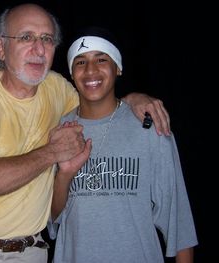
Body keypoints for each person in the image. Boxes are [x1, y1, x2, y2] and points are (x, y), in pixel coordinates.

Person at [0, 4, 171, 263]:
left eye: (47, 39)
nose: (39, 49)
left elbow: (99, 101)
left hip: (30, 252)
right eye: (26, 37)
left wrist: (132, 99)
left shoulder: (59, 90)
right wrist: (52, 152)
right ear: (0, 47)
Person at [48, 26, 198, 263]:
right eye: (80, 62)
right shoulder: (60, 130)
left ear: (117, 67)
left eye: (101, 59)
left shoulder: (150, 127)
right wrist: (64, 175)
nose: (90, 70)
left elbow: (178, 222)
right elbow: (52, 219)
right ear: (70, 72)